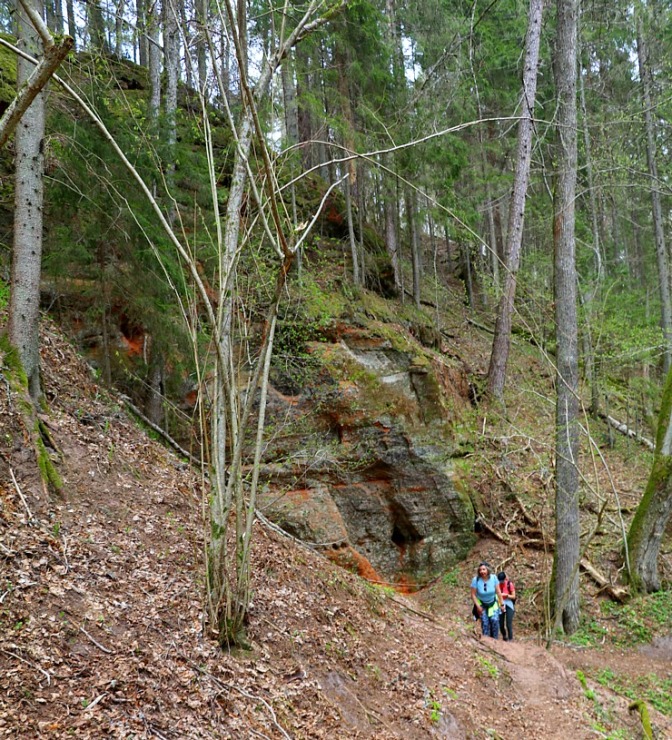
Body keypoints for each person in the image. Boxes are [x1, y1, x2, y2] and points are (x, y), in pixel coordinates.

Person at [470, 562, 504, 638]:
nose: (482, 571)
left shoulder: (494, 578)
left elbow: (498, 592)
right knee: (485, 623)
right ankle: (486, 640)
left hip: (493, 602)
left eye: (484, 569)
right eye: (480, 570)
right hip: (482, 603)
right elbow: (473, 595)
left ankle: (495, 640)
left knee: (494, 620)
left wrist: (502, 604)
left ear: (488, 570)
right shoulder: (476, 580)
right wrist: (478, 606)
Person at [498, 571, 516, 641]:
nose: (501, 582)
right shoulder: (497, 585)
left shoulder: (509, 584)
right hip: (500, 603)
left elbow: (514, 596)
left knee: (509, 623)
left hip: (509, 603)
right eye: (500, 581)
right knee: (501, 624)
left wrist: (507, 595)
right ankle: (504, 636)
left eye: (502, 581)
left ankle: (510, 639)